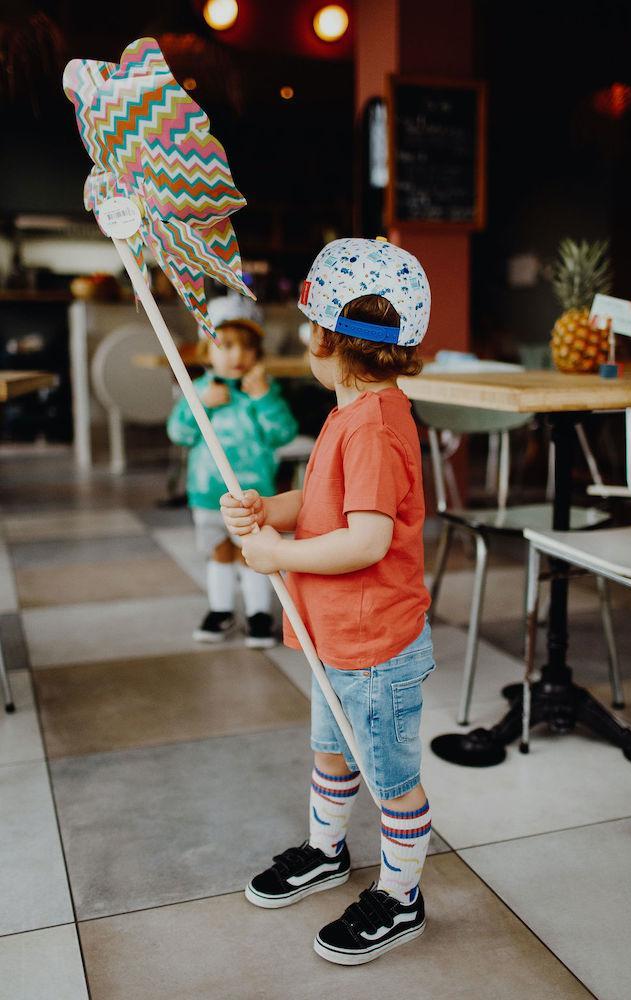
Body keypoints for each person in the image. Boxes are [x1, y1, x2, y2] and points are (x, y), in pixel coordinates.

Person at [221, 238, 435, 965]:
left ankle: (402, 897)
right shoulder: (353, 413)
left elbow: (365, 541)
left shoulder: (371, 428)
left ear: (324, 340)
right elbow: (323, 506)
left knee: (391, 779)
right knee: (330, 750)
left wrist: (276, 557)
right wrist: (271, 510)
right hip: (337, 637)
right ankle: (327, 852)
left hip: (374, 648)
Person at [168, 293, 298, 647]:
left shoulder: (261, 391)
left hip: (254, 495)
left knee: (253, 553)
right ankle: (221, 609)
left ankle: (259, 614)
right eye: (224, 345)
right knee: (219, 550)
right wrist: (202, 408)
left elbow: (282, 433)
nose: (237, 355)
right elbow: (178, 433)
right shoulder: (199, 391)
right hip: (207, 492)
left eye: (246, 347)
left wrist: (264, 399)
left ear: (258, 352)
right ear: (205, 351)